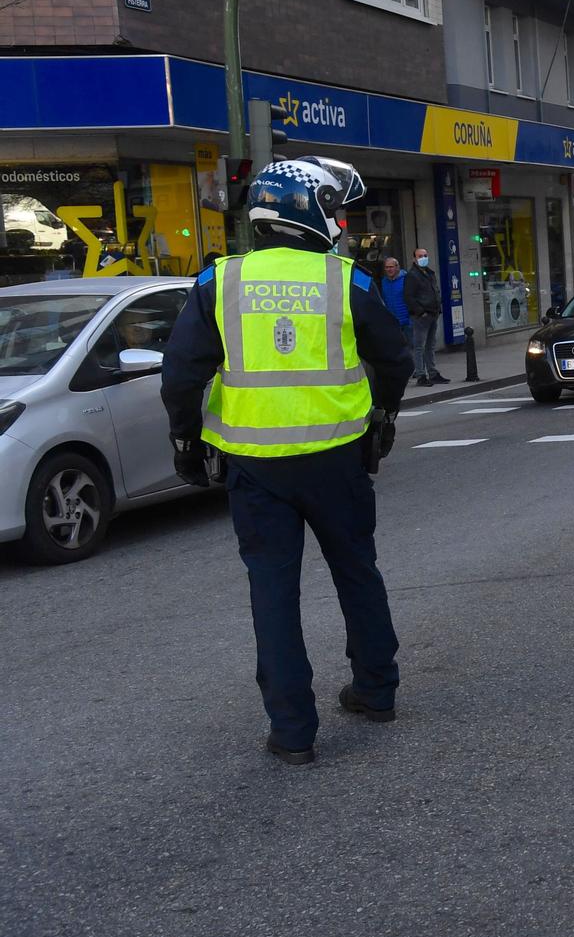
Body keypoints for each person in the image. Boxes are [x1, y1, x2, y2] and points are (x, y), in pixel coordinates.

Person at [159, 156, 413, 766]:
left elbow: (179, 376)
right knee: (358, 573)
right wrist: (383, 416)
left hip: (254, 468)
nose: (344, 221)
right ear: (315, 211)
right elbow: (397, 359)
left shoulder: (218, 282)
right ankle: (376, 691)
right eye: (338, 209)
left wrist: (187, 444)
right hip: (336, 460)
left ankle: (293, 731)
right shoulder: (345, 280)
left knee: (273, 593)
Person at [405, 247, 446, 387]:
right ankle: (421, 375)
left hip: (432, 313)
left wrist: (437, 309)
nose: (423, 258)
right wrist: (420, 312)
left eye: (425, 255)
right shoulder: (412, 275)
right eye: (420, 256)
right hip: (421, 316)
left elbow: (435, 291)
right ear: (414, 259)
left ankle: (432, 372)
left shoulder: (429, 273)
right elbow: (409, 297)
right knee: (419, 346)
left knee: (430, 345)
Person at [379, 256, 410, 349]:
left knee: (411, 350)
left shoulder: (407, 279)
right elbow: (384, 301)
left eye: (391, 267)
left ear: (397, 267)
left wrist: (411, 320)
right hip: (393, 323)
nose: (389, 269)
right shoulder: (384, 282)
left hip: (407, 323)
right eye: (387, 267)